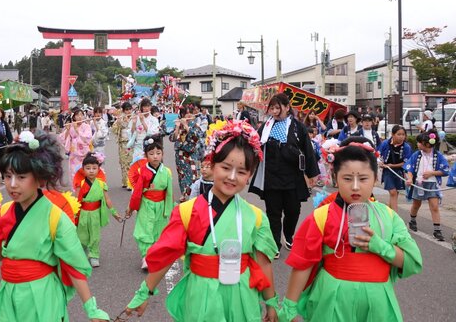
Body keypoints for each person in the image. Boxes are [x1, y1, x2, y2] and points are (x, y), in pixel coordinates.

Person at [125, 119, 279, 322]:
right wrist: (144, 292)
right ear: (212, 165)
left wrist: (271, 303)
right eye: (225, 167)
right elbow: (167, 256)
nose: (232, 177)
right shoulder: (187, 212)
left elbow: (263, 264)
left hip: (242, 296)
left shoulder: (256, 218)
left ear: (250, 175)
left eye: (241, 172)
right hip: (201, 294)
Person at [0, 131, 109, 321]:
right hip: (8, 293)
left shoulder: (56, 217)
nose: (12, 185)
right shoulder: (4, 210)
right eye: (8, 176)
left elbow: (72, 267)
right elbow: (3, 252)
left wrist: (92, 309)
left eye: (21, 177)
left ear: (39, 176)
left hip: (42, 294)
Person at [278, 138, 422, 322]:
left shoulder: (389, 216)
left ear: (375, 179)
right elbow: (303, 264)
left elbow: (411, 260)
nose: (355, 186)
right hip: (331, 300)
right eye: (347, 178)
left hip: (378, 303)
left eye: (363, 179)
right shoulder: (321, 215)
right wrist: (289, 309)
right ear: (335, 178)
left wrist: (380, 246)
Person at [249, 93, 319, 258]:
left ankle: (288, 235)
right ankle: (275, 244)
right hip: (271, 176)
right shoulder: (266, 126)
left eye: (277, 107)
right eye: (272, 108)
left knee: (293, 211)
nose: (274, 111)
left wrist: (312, 173)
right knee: (273, 213)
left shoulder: (298, 127)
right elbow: (255, 145)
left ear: (287, 108)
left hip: (293, 178)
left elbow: (308, 151)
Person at [125, 135, 174, 270]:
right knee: (146, 230)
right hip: (146, 203)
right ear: (146, 155)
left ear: (162, 154)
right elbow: (137, 191)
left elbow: (169, 192)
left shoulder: (166, 172)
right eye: (151, 153)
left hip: (161, 204)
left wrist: (168, 209)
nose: (155, 156)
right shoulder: (142, 171)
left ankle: (156, 254)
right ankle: (146, 257)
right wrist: (131, 207)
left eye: (158, 153)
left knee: (159, 230)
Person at [75, 152, 122, 268]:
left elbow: (107, 199)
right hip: (83, 214)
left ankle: (94, 255)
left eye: (94, 168)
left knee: (95, 235)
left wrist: (114, 213)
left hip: (95, 213)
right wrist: (74, 214)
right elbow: (76, 200)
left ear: (99, 169)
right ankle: (82, 253)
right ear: (83, 169)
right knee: (82, 235)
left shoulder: (101, 184)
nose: (91, 171)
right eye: (88, 168)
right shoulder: (80, 184)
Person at [404, 131, 450, 241]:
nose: (418, 144)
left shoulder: (438, 155)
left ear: (427, 144)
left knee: (434, 206)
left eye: (420, 142)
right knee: (416, 204)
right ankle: (412, 220)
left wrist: (432, 173)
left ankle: (437, 230)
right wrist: (410, 178)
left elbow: (445, 170)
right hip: (419, 183)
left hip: (432, 183)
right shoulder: (417, 154)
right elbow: (409, 168)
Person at [170, 107, 202, 199]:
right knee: (181, 174)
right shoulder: (179, 124)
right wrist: (177, 127)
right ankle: (183, 194)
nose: (188, 116)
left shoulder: (195, 125)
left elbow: (196, 137)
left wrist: (186, 126)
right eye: (186, 114)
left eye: (190, 114)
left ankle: (192, 195)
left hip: (190, 153)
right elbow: (173, 138)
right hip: (180, 153)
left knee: (192, 174)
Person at [379, 125, 412, 211]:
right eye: (399, 134)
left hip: (399, 171)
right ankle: (396, 217)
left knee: (395, 194)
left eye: (403, 134)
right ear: (393, 134)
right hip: (387, 171)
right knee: (393, 192)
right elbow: (378, 155)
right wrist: (380, 162)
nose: (401, 137)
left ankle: (389, 213)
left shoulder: (406, 147)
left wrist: (392, 165)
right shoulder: (385, 143)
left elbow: (406, 163)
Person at [59, 107, 92, 187]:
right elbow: (63, 139)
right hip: (74, 153)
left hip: (84, 152)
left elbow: (87, 138)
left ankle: (86, 188)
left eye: (81, 115)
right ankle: (76, 188)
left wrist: (77, 130)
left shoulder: (86, 126)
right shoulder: (71, 126)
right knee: (74, 171)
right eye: (77, 115)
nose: (80, 117)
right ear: (74, 117)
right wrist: (67, 130)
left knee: (86, 170)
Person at [111, 102, 133, 190]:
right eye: (126, 110)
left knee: (132, 162)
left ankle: (131, 181)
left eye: (129, 109)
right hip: (123, 142)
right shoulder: (120, 119)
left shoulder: (134, 118)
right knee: (124, 162)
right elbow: (113, 130)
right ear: (123, 111)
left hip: (132, 142)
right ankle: (126, 181)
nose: (128, 111)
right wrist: (119, 123)